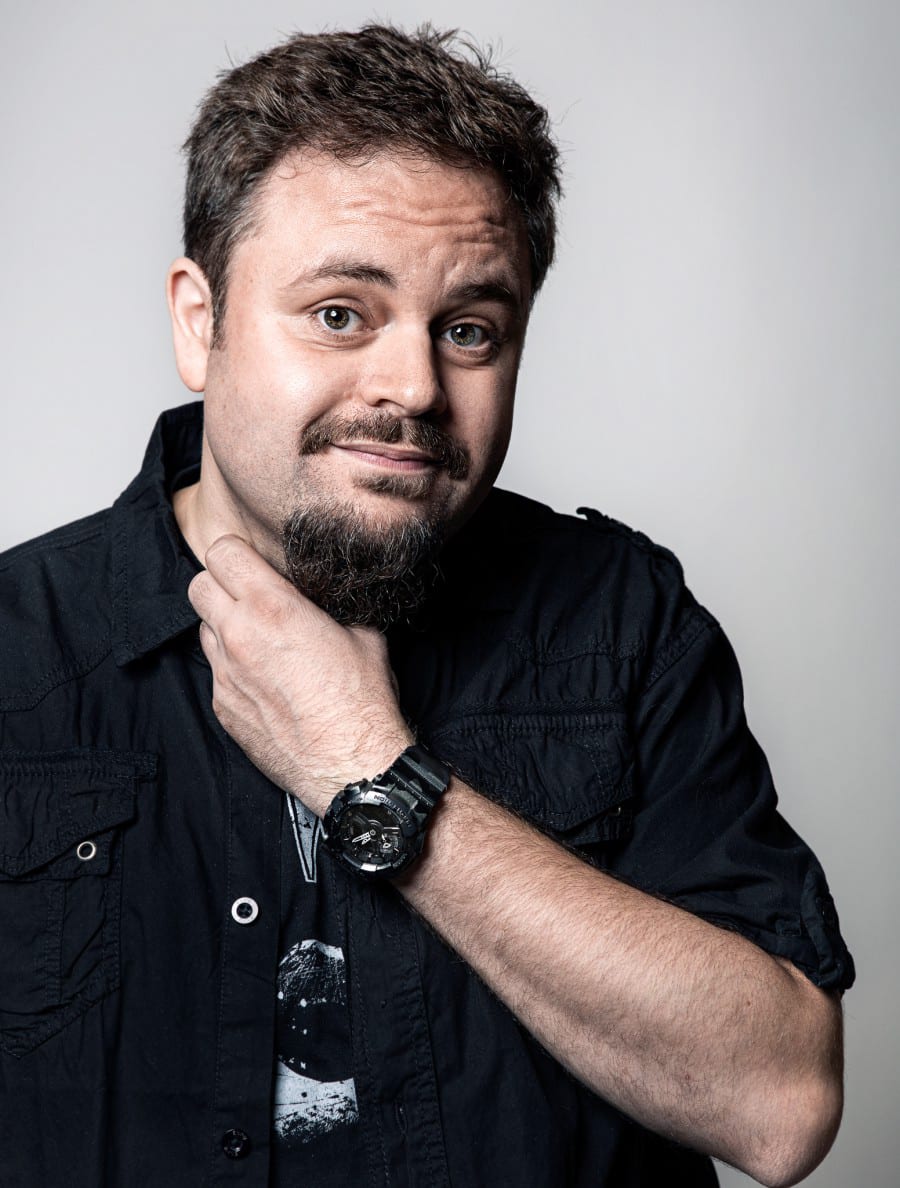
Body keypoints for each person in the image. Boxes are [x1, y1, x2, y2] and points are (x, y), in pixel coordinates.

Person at [0, 24, 853, 1188]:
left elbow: (780, 1105)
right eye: (340, 313)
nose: (413, 387)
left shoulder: (620, 623)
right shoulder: (17, 652)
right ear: (201, 321)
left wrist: (372, 772)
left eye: (469, 331)